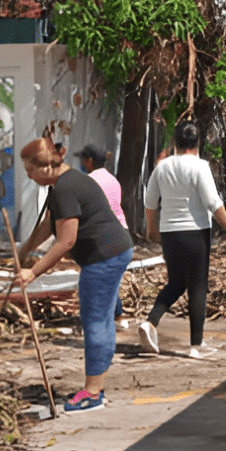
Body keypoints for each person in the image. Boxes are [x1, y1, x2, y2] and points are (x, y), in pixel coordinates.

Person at [14, 137, 133, 412]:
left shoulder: (66, 188)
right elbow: (50, 223)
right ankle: (97, 385)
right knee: (101, 319)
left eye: (30, 170)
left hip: (103, 257)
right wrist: (25, 249)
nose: (29, 176)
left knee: (95, 321)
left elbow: (66, 241)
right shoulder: (66, 183)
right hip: (113, 250)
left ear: (44, 168)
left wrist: (32, 272)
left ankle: (92, 393)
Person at [137, 122, 226, 358]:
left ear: (175, 142)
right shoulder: (200, 166)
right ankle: (196, 345)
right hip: (195, 232)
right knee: (197, 286)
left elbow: (150, 201)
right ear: (197, 144)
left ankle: (151, 322)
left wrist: (151, 229)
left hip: (170, 234)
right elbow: (213, 202)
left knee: (176, 282)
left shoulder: (162, 167)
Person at [76, 143, 131, 330]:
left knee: (100, 277)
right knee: (110, 277)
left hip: (103, 235)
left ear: (89, 161)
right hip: (121, 232)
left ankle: (108, 318)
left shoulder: (88, 181)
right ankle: (117, 315)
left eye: (83, 159)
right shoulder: (112, 180)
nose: (81, 163)